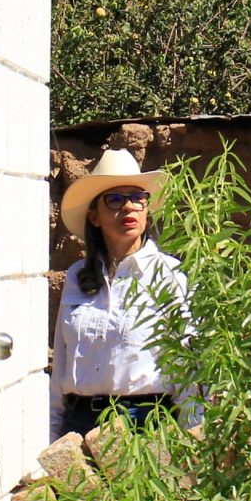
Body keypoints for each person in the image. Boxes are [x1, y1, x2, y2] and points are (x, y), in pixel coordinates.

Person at [53, 148, 187, 438]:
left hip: (147, 425)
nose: (129, 207)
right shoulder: (77, 276)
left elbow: (189, 367)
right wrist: (52, 438)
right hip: (79, 425)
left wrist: (191, 442)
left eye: (138, 198)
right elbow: (61, 366)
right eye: (114, 199)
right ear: (94, 217)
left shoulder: (170, 275)